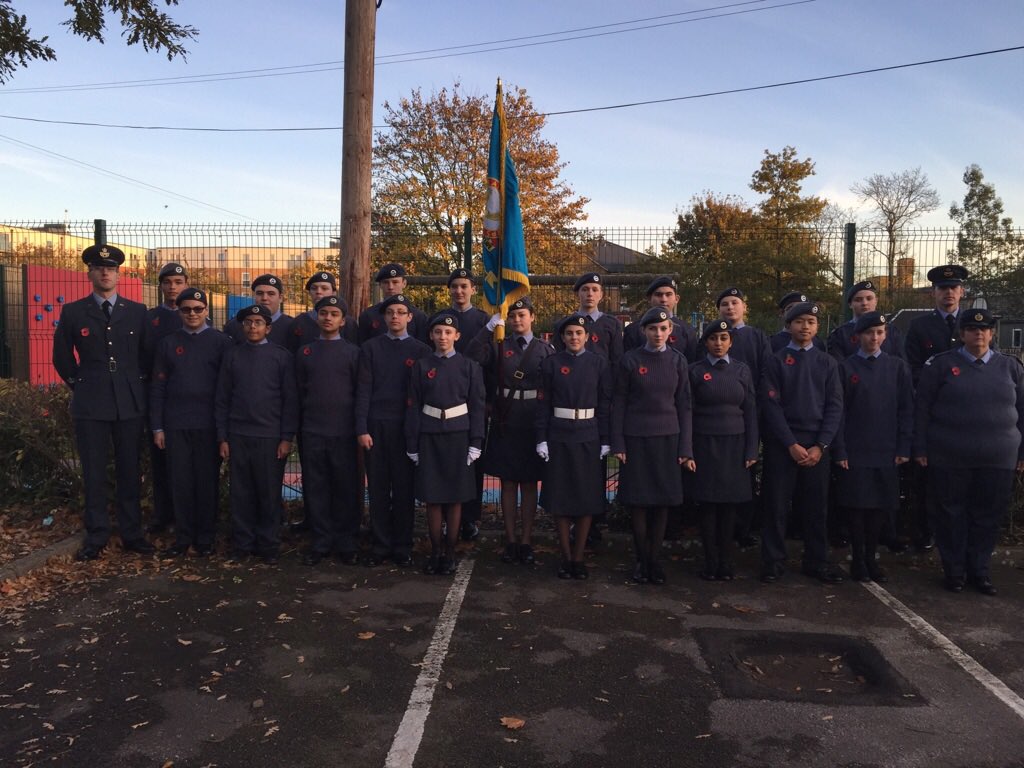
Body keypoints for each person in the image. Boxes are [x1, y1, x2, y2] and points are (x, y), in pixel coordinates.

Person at [912, 308, 1024, 595]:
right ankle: (955, 571)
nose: (979, 334)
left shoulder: (1011, 367)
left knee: (987, 516)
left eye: (985, 329)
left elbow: (1023, 412)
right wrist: (921, 448)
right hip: (950, 455)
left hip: (998, 458)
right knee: (951, 515)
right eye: (972, 330)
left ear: (992, 333)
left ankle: (980, 571)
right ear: (961, 334)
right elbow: (922, 409)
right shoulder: (940, 365)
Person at [53, 244, 154, 561]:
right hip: (91, 402)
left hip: (128, 403)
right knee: (94, 472)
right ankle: (96, 535)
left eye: (111, 269)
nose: (105, 272)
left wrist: (136, 386)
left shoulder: (137, 311)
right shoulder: (73, 312)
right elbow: (61, 358)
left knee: (129, 469)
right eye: (99, 268)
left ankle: (131, 533)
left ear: (119, 274)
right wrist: (80, 384)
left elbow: (146, 357)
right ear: (90, 273)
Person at [759, 301, 844, 584]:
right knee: (776, 505)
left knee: (816, 507)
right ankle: (772, 561)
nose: (805, 327)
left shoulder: (827, 363)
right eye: (799, 321)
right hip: (784, 446)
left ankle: (816, 560)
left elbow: (834, 406)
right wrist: (790, 444)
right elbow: (771, 406)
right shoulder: (775, 360)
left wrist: (820, 446)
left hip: (816, 449)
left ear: (818, 327)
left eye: (811, 322)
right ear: (789, 325)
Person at [465, 296, 554, 565]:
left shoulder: (545, 349)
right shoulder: (499, 346)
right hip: (507, 419)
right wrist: (488, 329)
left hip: (532, 419)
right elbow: (472, 355)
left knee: (529, 483)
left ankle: (526, 540)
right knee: (507, 482)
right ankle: (510, 539)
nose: (517, 320)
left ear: (532, 317)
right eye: (513, 316)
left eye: (522, 315)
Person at [612, 307, 694, 585]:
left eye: (663, 329)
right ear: (642, 331)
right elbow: (619, 402)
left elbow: (684, 405)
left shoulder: (678, 361)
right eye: (652, 329)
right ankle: (640, 558)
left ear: (670, 331)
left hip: (668, 440)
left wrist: (686, 448)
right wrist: (619, 442)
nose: (658, 333)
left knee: (662, 502)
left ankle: (655, 559)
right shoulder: (630, 360)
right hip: (636, 440)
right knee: (638, 502)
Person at [149, 288, 232, 558]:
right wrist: (158, 427)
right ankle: (183, 538)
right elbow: (158, 388)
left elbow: (228, 389)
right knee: (180, 482)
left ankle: (206, 538)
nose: (192, 314)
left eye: (198, 309)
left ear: (206, 310)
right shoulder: (168, 343)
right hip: (176, 425)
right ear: (179, 311)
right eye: (186, 309)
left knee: (206, 483)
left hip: (208, 425)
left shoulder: (221, 342)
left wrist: (223, 432)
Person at [832, 312, 913, 583]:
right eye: (869, 333)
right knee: (857, 508)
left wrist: (904, 445)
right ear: (858, 336)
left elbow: (906, 410)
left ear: (885, 335)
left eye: (879, 332)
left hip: (886, 449)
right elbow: (839, 413)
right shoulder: (846, 368)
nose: (874, 338)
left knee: (879, 508)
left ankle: (871, 559)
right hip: (856, 449)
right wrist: (840, 449)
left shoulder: (898, 367)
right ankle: (858, 560)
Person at [215, 304, 299, 564]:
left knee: (268, 493)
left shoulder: (281, 357)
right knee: (241, 493)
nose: (253, 327)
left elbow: (290, 400)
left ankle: (269, 545)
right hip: (239, 435)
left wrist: (286, 437)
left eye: (258, 322)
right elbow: (222, 398)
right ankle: (243, 544)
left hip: (270, 437)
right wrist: (223, 437)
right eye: (249, 322)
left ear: (268, 328)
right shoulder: (233, 355)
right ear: (243, 326)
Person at [406, 312, 486, 575]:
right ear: (431, 335)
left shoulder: (469, 366)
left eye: (448, 332)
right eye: (438, 332)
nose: (443, 337)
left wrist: (475, 441)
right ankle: (435, 551)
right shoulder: (421, 366)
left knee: (455, 499)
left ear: (457, 336)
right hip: (429, 436)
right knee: (433, 498)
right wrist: (413, 444)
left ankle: (451, 551)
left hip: (458, 437)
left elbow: (477, 407)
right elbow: (414, 406)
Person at [355, 294, 431, 567]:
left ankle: (402, 544)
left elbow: (423, 396)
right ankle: (380, 544)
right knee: (377, 487)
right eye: (390, 312)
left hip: (406, 429)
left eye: (401, 312)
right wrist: (362, 427)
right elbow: (363, 390)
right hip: (376, 426)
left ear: (410, 317)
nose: (395, 317)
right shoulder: (370, 348)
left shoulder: (422, 351)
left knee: (403, 488)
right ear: (383, 317)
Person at [537, 315, 613, 580]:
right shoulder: (551, 363)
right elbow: (543, 405)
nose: (574, 337)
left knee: (585, 498)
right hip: (559, 434)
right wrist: (541, 438)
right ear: (562, 337)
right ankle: (565, 555)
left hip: (588, 435)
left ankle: (579, 557)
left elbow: (604, 405)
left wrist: (605, 439)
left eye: (579, 333)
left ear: (587, 336)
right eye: (569, 333)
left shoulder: (599, 364)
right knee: (561, 497)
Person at [904, 264, 970, 552]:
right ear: (934, 293)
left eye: (953, 288)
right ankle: (925, 532)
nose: (948, 294)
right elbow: (913, 368)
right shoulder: (920, 327)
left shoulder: (973, 325)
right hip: (932, 412)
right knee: (928, 477)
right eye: (943, 289)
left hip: (967, 415)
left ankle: (955, 532)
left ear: (962, 292)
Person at [687, 319, 758, 581]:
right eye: (713, 338)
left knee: (729, 507)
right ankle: (710, 561)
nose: (719, 343)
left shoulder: (742, 370)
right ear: (705, 342)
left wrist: (752, 449)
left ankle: (726, 562)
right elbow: (688, 412)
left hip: (735, 445)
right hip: (704, 445)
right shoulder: (694, 371)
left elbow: (750, 410)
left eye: (724, 338)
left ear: (731, 342)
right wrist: (688, 450)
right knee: (707, 505)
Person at [295, 295, 362, 566]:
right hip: (312, 431)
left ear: (342, 321)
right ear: (317, 317)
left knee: (346, 488)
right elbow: (298, 392)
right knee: (316, 488)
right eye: (323, 313)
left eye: (334, 314)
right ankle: (321, 542)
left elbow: (360, 393)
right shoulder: (305, 353)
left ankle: (347, 543)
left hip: (344, 433)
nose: (328, 318)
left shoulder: (353, 353)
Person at [715, 286, 772, 548]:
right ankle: (720, 527)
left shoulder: (756, 337)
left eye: (735, 302)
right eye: (725, 303)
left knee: (746, 468)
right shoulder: (713, 336)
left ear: (744, 307)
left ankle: (744, 527)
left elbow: (765, 374)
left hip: (750, 414)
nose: (730, 307)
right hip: (718, 420)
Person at [142, 262, 189, 534]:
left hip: (187, 401)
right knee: (160, 461)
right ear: (160, 286)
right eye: (168, 282)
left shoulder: (196, 314)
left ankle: (185, 517)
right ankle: (163, 515)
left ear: (186, 284)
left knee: (184, 465)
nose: (173, 287)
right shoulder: (149, 318)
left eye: (178, 281)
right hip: (158, 397)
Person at [446, 267, 490, 541]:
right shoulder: (443, 318)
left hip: (476, 399)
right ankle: (448, 513)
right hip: (446, 399)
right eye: (455, 286)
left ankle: (470, 517)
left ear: (473, 289)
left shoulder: (484, 319)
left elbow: (492, 362)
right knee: (448, 460)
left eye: (464, 286)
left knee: (474, 459)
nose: (459, 291)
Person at [553, 272, 624, 365]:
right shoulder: (563, 324)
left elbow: (617, 360)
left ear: (601, 295)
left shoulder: (613, 324)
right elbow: (559, 358)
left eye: (595, 290)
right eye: (585, 289)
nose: (590, 294)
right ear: (577, 294)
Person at [623, 276, 698, 362]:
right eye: (658, 295)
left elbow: (691, 365)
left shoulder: (687, 331)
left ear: (676, 299)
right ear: (649, 299)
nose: (663, 299)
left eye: (668, 294)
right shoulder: (633, 330)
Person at [826, 280, 904, 362]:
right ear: (850, 304)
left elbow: (900, 364)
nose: (864, 303)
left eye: (869, 298)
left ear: (876, 301)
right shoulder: (840, 335)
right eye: (858, 300)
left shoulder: (892, 331)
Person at [357, 263, 429, 344]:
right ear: (380, 284)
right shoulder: (368, 315)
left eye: (395, 282)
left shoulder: (418, 317)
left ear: (404, 283)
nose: (390, 287)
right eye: (386, 282)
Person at [289, 271, 359, 351]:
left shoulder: (349, 323)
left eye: (324, 288)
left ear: (334, 293)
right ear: (309, 293)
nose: (318, 292)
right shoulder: (299, 322)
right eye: (314, 288)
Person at [223, 274, 295, 347]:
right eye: (260, 293)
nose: (264, 298)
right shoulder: (235, 325)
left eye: (271, 294)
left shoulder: (292, 326)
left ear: (280, 298)